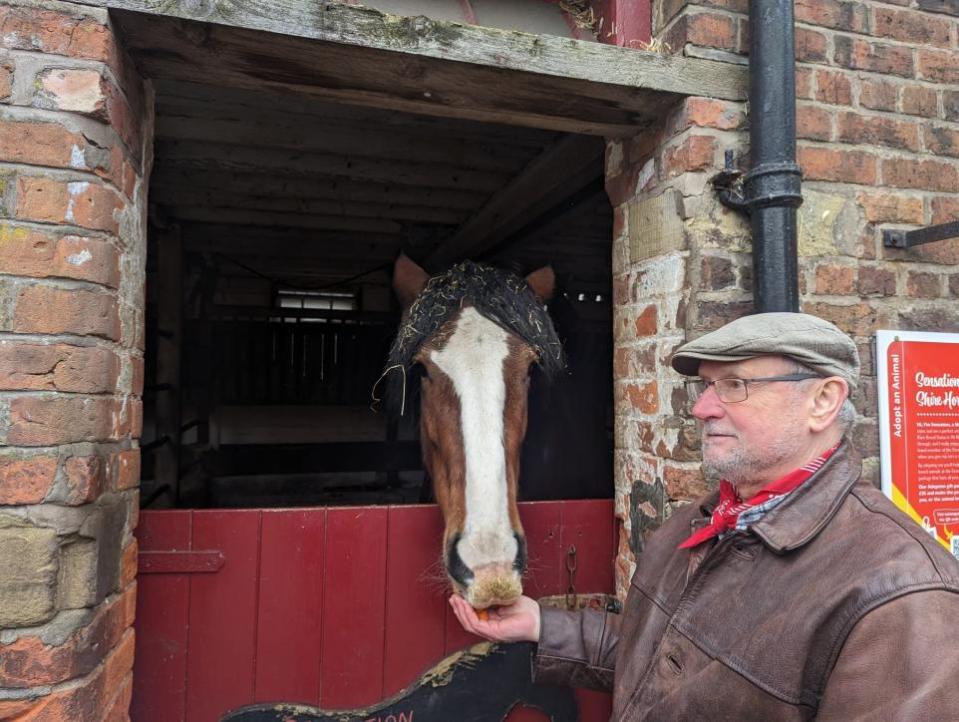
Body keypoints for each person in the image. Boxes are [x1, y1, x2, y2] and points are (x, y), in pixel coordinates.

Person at [450, 312, 959, 720]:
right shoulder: (701, 519)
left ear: (823, 401)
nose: (703, 408)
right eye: (707, 386)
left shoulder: (902, 593)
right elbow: (660, 662)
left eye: (734, 385)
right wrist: (540, 624)